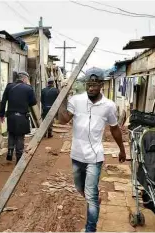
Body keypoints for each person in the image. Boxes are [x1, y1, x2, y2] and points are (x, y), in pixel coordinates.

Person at [58, 67, 126, 232]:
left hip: (95, 157)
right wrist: (61, 99)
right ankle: (92, 198)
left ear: (102, 84)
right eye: (89, 84)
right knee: (80, 188)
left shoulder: (108, 105)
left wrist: (122, 150)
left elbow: (115, 128)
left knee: (91, 195)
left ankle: (90, 229)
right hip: (76, 154)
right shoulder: (76, 100)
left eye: (95, 84)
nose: (91, 88)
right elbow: (63, 120)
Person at [0, 71, 37, 164]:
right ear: (24, 78)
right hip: (22, 116)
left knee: (11, 133)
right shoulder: (28, 88)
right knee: (20, 136)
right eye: (27, 79)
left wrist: (1, 114)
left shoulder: (9, 86)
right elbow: (33, 102)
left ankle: (9, 151)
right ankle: (19, 157)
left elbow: (3, 101)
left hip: (11, 115)